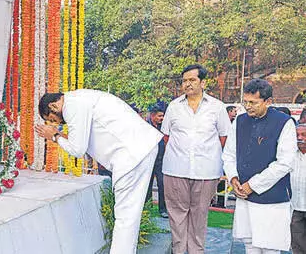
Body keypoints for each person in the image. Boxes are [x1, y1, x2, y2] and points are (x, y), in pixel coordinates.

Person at [34, 90, 163, 254]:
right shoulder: (80, 98)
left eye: (53, 119)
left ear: (54, 105)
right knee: (129, 217)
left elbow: (77, 149)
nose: (57, 123)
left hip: (131, 154)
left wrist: (54, 137)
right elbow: (81, 139)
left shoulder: (72, 105)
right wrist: (58, 135)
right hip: (138, 149)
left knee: (125, 217)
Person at [161, 64, 231, 254]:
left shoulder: (217, 107)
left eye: (192, 80)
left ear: (203, 82)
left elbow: (224, 138)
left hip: (206, 171)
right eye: (184, 81)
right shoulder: (174, 107)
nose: (187, 84)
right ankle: (178, 250)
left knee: (199, 214)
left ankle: (196, 251)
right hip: (175, 169)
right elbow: (166, 137)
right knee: (176, 215)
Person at [222, 79, 298, 254]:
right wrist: (233, 179)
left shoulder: (284, 122)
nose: (248, 106)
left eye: (253, 102)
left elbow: (285, 162)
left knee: (270, 247)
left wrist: (252, 185)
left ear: (268, 102)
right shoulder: (239, 121)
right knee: (250, 244)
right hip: (243, 194)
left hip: (273, 198)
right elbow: (229, 154)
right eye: (245, 102)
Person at [145, 104, 168, 218]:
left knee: (162, 184)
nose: (162, 118)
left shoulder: (163, 127)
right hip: (149, 161)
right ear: (153, 116)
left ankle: (163, 209)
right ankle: (147, 208)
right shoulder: (145, 126)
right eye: (159, 116)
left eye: (163, 116)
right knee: (147, 185)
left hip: (160, 161)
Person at [291, 124, 306, 254]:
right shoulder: (288, 156)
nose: (300, 138)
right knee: (297, 244)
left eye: (303, 135)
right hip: (294, 206)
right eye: (297, 135)